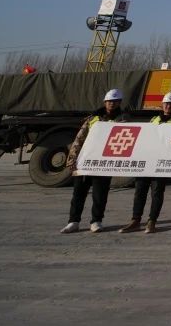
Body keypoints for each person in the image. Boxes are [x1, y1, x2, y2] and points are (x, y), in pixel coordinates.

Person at [60, 88, 127, 233]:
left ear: (120, 103)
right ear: (104, 102)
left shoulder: (123, 120)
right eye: (109, 101)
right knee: (78, 193)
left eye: (115, 101)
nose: (112, 104)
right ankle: (73, 221)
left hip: (104, 163)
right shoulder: (93, 119)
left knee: (100, 194)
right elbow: (79, 139)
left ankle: (96, 221)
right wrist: (72, 158)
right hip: (85, 161)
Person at [121, 91, 171, 234]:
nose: (168, 106)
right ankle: (135, 220)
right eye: (166, 104)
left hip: (162, 162)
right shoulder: (154, 119)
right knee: (140, 191)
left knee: (157, 192)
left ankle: (152, 221)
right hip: (147, 159)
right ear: (162, 105)